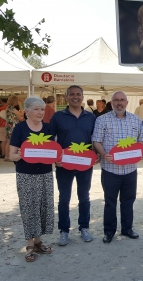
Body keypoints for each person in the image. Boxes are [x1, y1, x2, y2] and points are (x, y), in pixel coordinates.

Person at [92, 91, 143, 243]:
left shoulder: (136, 120)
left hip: (130, 169)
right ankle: (109, 231)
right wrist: (103, 154)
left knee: (128, 200)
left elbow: (141, 140)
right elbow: (96, 141)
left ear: (127, 102)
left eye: (122, 100)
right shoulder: (102, 120)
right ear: (112, 102)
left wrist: (141, 152)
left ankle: (127, 229)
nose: (119, 103)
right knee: (110, 201)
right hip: (110, 169)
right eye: (116, 100)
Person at [50, 85, 97, 246]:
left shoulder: (91, 117)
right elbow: (50, 140)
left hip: (85, 164)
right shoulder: (57, 116)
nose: (75, 97)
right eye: (72, 95)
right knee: (64, 198)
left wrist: (96, 155)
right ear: (66, 97)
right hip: (64, 165)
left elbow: (95, 140)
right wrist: (54, 157)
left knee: (84, 197)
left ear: (82, 97)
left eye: (78, 94)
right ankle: (64, 231)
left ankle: (84, 227)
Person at [9, 97, 54, 262]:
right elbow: (11, 155)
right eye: (36, 109)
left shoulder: (49, 128)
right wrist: (20, 155)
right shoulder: (20, 129)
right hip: (25, 175)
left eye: (42, 109)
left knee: (43, 207)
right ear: (26, 111)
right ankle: (29, 244)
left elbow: (53, 152)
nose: (40, 112)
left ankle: (38, 241)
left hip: (45, 174)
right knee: (29, 208)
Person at [5, 95, 24, 162]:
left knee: (8, 141)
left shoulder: (9, 108)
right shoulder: (12, 108)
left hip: (9, 125)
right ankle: (9, 156)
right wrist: (20, 105)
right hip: (12, 126)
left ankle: (7, 156)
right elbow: (21, 114)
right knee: (10, 141)